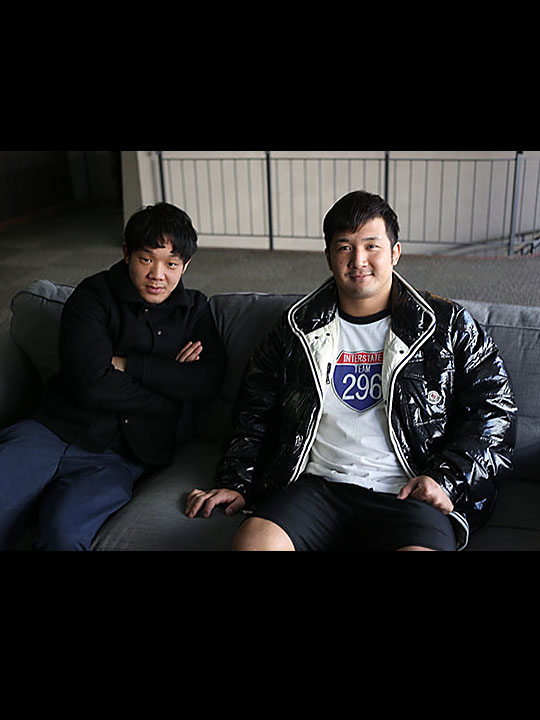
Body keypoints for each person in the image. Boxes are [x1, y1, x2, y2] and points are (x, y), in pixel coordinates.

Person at [185, 190, 517, 551]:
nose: (359, 260)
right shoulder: (297, 327)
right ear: (329, 257)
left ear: (395, 252)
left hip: (409, 491)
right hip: (317, 489)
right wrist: (236, 481)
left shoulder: (448, 325)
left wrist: (447, 479)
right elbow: (256, 407)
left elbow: (494, 411)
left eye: (372, 246)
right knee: (253, 543)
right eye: (345, 247)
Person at [0, 202, 225, 550]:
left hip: (121, 457)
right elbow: (91, 384)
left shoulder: (195, 310)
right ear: (126, 253)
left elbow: (207, 381)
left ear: (186, 265)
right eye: (146, 259)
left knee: (65, 535)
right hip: (52, 430)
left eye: (171, 264)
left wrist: (128, 364)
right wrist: (167, 393)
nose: (158, 275)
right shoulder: (93, 296)